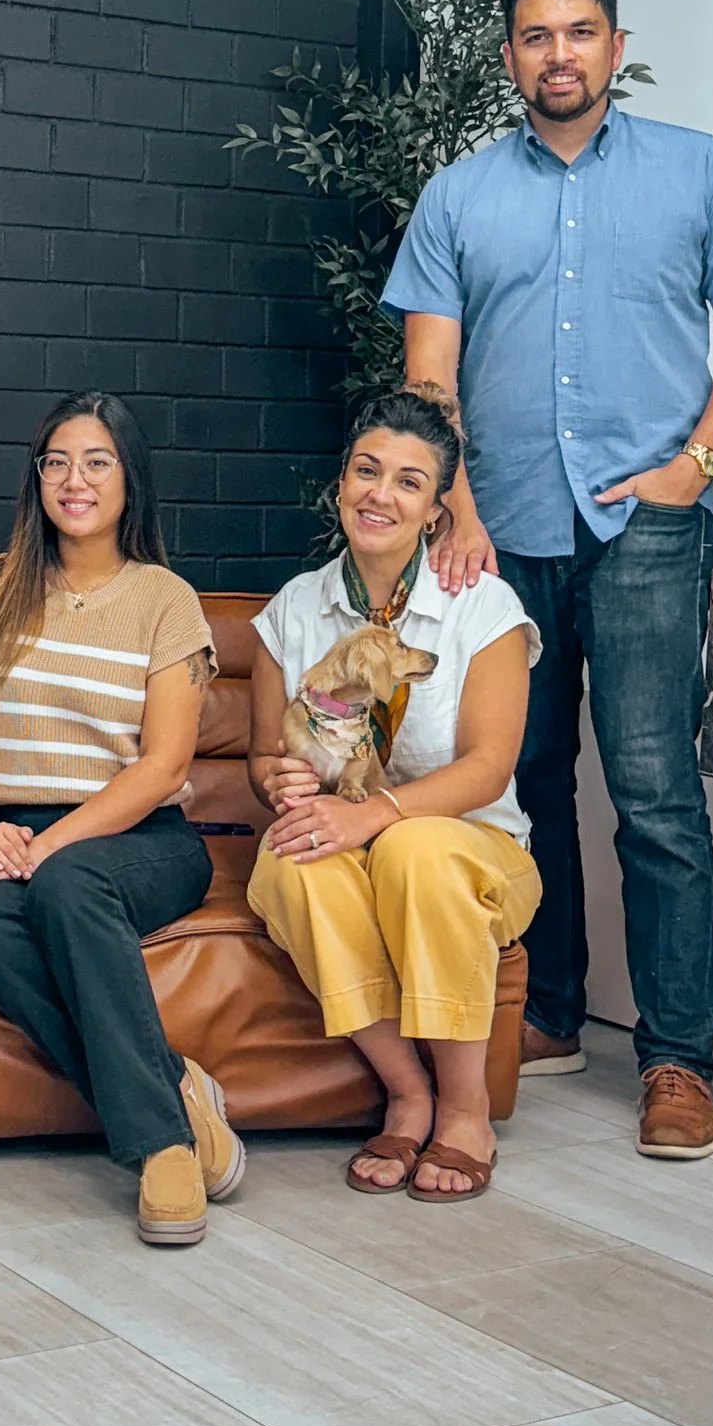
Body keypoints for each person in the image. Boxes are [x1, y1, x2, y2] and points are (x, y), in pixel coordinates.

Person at [385, 0, 713, 1160]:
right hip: (498, 529)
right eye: (534, 36)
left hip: (648, 527)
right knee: (522, 776)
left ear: (615, 49)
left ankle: (676, 1060)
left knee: (654, 789)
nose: (556, 55)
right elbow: (428, 373)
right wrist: (452, 503)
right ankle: (551, 1011)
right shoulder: (458, 196)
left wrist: (692, 470)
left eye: (577, 33)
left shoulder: (696, 172)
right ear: (509, 56)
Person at [0, 391, 242, 1248]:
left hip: (142, 836)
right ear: (37, 479)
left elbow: (164, 766)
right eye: (58, 462)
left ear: (128, 478)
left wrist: (42, 848)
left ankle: (161, 1149)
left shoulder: (164, 599)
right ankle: (174, 1088)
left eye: (98, 461)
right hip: (22, 831)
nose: (76, 479)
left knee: (65, 883)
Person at [247, 391, 541, 1200]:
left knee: (416, 846)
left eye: (409, 482)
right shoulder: (293, 610)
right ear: (340, 483)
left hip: (475, 851)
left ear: (437, 509)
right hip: (347, 843)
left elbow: (488, 768)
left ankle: (467, 1109)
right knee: (292, 860)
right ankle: (407, 1091)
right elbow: (262, 755)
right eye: (366, 471)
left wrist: (374, 814)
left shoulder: (482, 607)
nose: (380, 494)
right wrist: (276, 777)